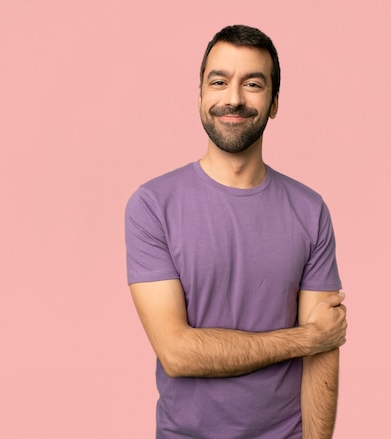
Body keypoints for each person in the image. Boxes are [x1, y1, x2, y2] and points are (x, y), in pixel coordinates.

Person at [125, 24, 347, 439]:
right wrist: (305, 339)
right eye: (219, 81)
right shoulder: (152, 205)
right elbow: (176, 353)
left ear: (275, 102)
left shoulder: (310, 210)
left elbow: (324, 357)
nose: (234, 98)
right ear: (200, 97)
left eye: (253, 84)